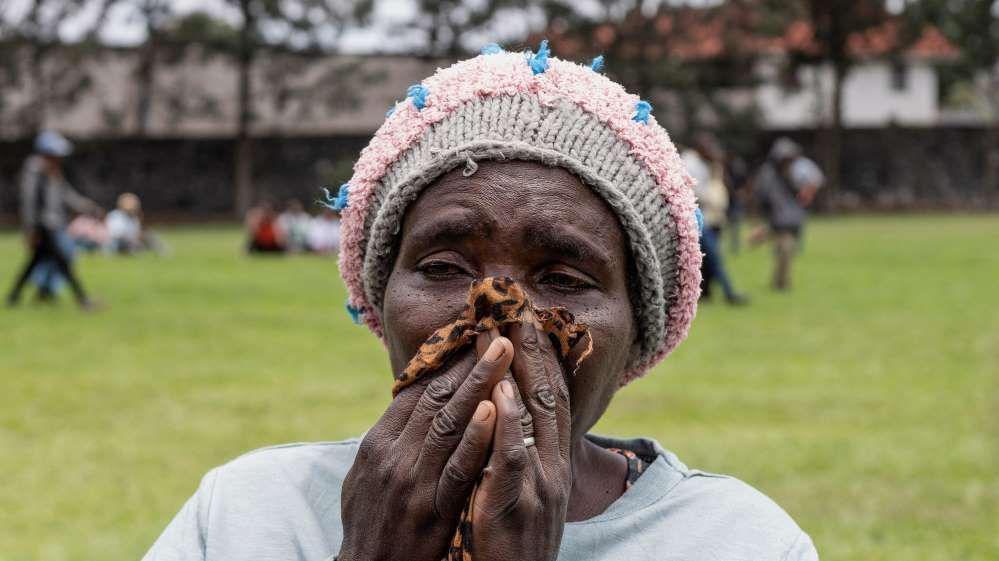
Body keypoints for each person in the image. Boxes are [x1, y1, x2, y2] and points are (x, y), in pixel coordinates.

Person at [144, 46, 817, 561]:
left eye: (563, 276)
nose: (496, 312)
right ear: (379, 298)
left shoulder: (735, 541)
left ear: (639, 335)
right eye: (443, 266)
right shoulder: (247, 517)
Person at [6, 131, 102, 310]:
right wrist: (31, 229)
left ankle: (18, 297)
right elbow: (29, 202)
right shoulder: (35, 170)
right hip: (43, 226)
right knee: (63, 261)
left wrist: (88, 207)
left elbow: (66, 195)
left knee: (33, 263)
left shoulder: (52, 172)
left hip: (51, 225)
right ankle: (83, 300)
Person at [682, 134, 748, 305]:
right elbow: (693, 189)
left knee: (707, 260)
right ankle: (730, 293)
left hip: (715, 218)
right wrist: (711, 200)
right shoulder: (690, 163)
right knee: (715, 258)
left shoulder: (709, 164)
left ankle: (705, 294)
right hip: (700, 219)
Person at [752, 137, 825, 291]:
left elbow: (803, 191)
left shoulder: (791, 174)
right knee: (784, 249)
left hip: (790, 221)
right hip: (777, 221)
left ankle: (780, 282)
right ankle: (781, 284)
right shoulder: (768, 175)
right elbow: (763, 199)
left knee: (785, 250)